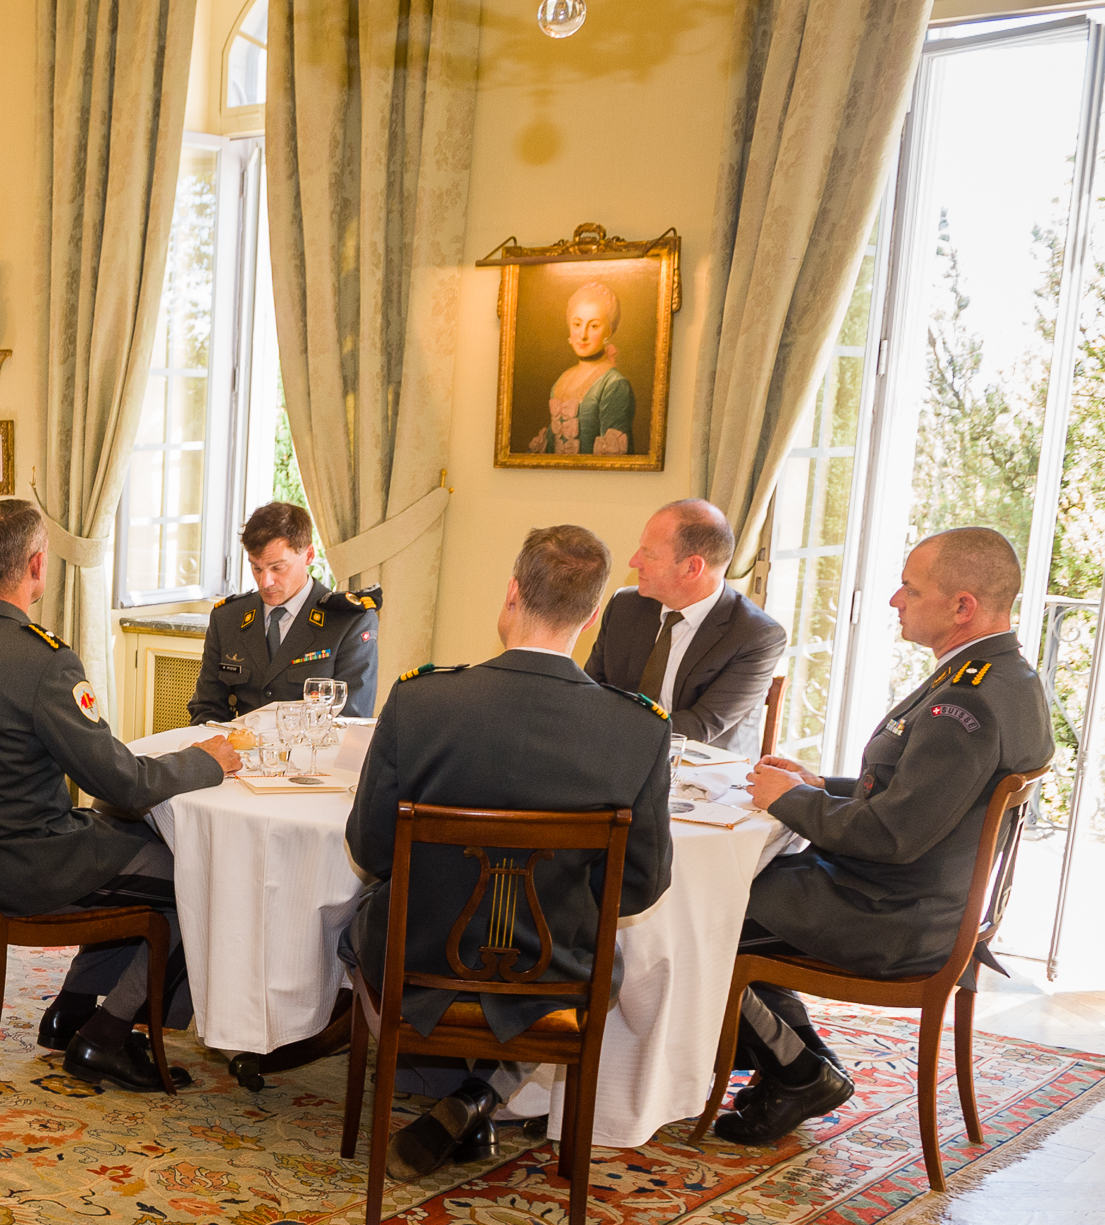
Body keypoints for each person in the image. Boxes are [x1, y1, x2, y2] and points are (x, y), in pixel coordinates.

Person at [343, 523, 673, 1175]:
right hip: (555, 970)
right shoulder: (635, 729)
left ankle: (463, 1094)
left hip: (421, 958)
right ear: (595, 614)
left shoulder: (421, 701)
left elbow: (371, 849)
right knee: (607, 953)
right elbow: (638, 886)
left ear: (512, 593)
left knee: (356, 924)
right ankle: (482, 1097)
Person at [715, 527, 1056, 1145]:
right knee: (734, 892)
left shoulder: (968, 704)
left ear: (963, 607)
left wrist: (791, 800)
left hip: (894, 915)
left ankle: (795, 1071)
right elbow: (921, 794)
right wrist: (822, 783)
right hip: (917, 899)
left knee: (700, 913)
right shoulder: (1007, 678)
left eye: (909, 587)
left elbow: (893, 835)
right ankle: (796, 1065)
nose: (895, 600)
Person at [0, 498, 238, 1091]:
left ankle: (70, 1010)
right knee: (200, 870)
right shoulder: (45, 662)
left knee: (134, 845)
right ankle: (106, 1037)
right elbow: (122, 783)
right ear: (38, 566)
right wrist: (204, 762)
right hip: (29, 872)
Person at [584, 499, 786, 753]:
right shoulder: (626, 606)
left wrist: (610, 730)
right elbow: (591, 691)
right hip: (620, 758)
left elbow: (700, 727)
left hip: (706, 776)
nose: (634, 562)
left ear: (692, 567)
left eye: (649, 554)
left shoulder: (756, 636)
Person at [189, 502, 381, 724]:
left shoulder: (350, 622)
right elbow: (207, 708)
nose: (266, 582)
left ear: (309, 555)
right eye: (257, 568)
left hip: (312, 756)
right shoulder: (228, 618)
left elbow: (350, 721)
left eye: (278, 567)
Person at [528, 280, 635, 458]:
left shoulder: (614, 384)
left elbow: (613, 462)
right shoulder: (562, 380)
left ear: (608, 331)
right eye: (577, 324)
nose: (583, 335)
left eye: (593, 326)